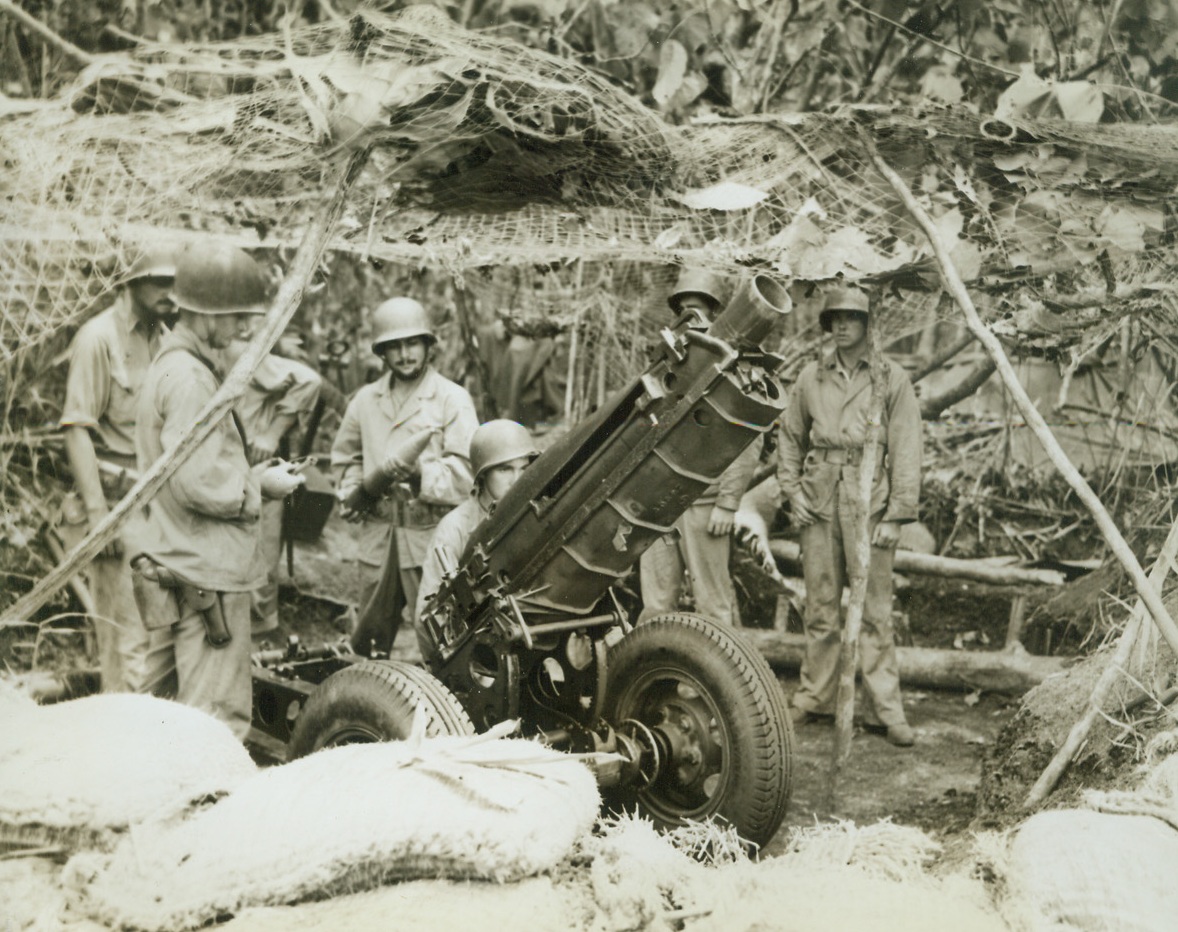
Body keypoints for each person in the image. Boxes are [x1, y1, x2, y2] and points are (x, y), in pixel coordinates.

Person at [130, 243, 304, 739]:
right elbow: (200, 482)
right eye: (238, 317)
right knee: (213, 726)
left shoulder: (173, 366)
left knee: (155, 712)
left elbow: (190, 465)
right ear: (207, 316)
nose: (245, 329)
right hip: (206, 574)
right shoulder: (190, 379)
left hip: (175, 561)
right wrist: (261, 486)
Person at [776, 286, 922, 747]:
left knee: (876, 611)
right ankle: (814, 696)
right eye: (834, 318)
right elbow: (790, 437)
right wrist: (790, 490)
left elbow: (906, 447)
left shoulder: (889, 377)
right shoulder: (810, 378)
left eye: (851, 318)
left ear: (866, 324)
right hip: (819, 498)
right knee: (820, 604)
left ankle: (886, 709)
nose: (841, 326)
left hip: (868, 500)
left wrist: (897, 514)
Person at [331, 297, 478, 658]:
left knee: (439, 634)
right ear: (381, 352)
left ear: (429, 345)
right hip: (379, 538)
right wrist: (352, 490)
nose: (405, 354)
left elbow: (468, 473)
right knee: (368, 637)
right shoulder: (366, 400)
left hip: (428, 537)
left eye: (412, 343)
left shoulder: (451, 399)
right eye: (393, 346)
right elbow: (345, 457)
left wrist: (420, 476)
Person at [59, 244, 177, 692]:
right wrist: (98, 518)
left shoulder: (164, 340)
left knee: (158, 639)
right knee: (125, 644)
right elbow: (76, 428)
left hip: (158, 506)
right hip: (114, 505)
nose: (171, 293)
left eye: (174, 283)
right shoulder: (99, 338)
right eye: (160, 282)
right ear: (131, 280)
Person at [638, 268, 761, 627]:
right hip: (660, 500)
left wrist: (728, 501)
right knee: (656, 604)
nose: (691, 318)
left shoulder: (733, 362)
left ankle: (708, 684)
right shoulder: (663, 362)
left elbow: (749, 436)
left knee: (713, 606)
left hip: (705, 502)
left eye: (700, 309)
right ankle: (652, 681)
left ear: (714, 312)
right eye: (684, 309)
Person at [221, 334, 323, 637]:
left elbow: (309, 381)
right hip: (213, 468)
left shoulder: (236, 349)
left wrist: (271, 434)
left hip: (252, 466)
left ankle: (261, 640)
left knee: (260, 561)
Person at [415, 419, 539, 658]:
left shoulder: (532, 517)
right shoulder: (455, 529)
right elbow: (427, 620)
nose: (517, 479)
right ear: (482, 475)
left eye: (524, 468)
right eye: (505, 469)